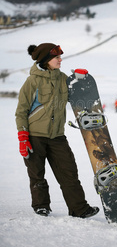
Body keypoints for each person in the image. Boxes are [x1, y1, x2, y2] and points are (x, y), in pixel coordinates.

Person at [15, 43, 99, 218]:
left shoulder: (63, 79)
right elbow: (21, 110)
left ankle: (79, 209)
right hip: (35, 136)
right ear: (46, 60)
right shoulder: (33, 81)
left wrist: (80, 80)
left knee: (69, 172)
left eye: (60, 57)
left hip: (57, 136)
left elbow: (76, 96)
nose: (60, 60)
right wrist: (23, 136)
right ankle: (41, 206)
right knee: (37, 173)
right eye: (57, 57)